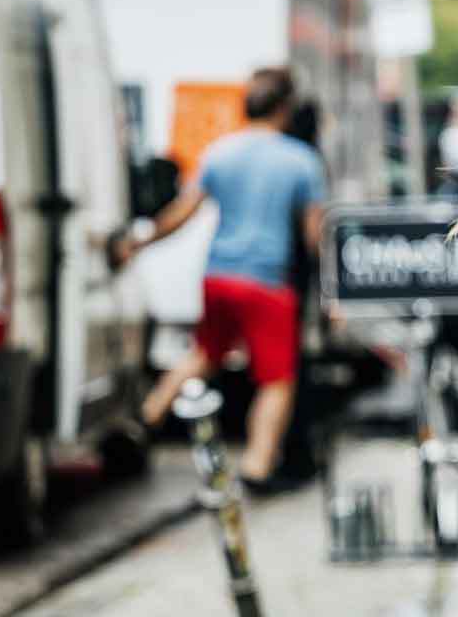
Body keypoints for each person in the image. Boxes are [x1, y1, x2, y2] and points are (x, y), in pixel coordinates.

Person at [122, 67, 327, 487]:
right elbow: (314, 237)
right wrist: (330, 290)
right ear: (284, 108)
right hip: (266, 283)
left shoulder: (220, 152)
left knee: (204, 355)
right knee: (276, 381)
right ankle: (257, 464)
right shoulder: (301, 161)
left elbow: (182, 212)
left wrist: (139, 243)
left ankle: (147, 415)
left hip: (217, 277)